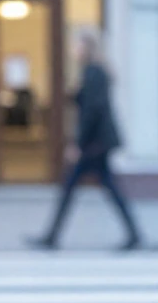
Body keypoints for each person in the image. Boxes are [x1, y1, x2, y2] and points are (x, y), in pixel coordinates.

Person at [28, 31, 141, 250]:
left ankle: (51, 237)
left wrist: (78, 144)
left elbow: (92, 111)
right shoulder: (93, 72)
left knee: (73, 187)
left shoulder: (94, 72)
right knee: (105, 187)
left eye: (76, 45)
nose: (74, 50)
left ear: (87, 47)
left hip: (94, 144)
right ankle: (134, 234)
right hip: (97, 143)